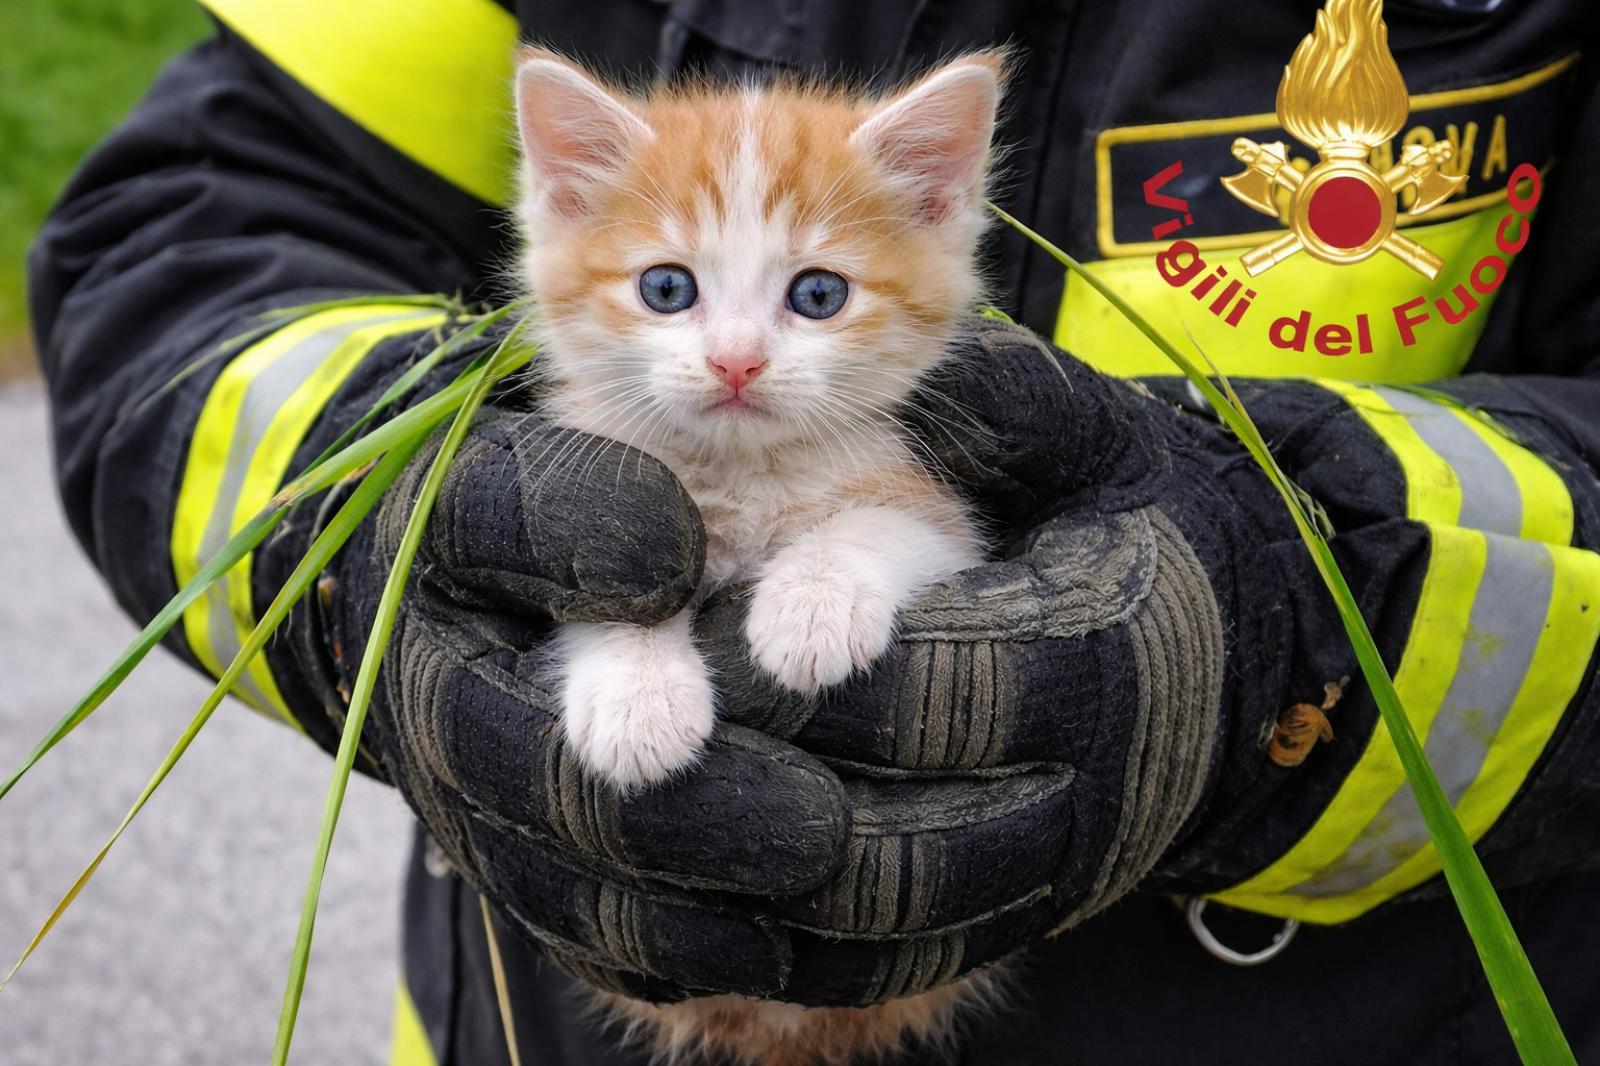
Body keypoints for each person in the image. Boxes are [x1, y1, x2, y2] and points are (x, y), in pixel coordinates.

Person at [27, 1, 1600, 1063]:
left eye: (809, 299)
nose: (729, 357)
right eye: (669, 294)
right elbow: (201, 219)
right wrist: (380, 522)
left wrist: (1291, 628)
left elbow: (889, 520)